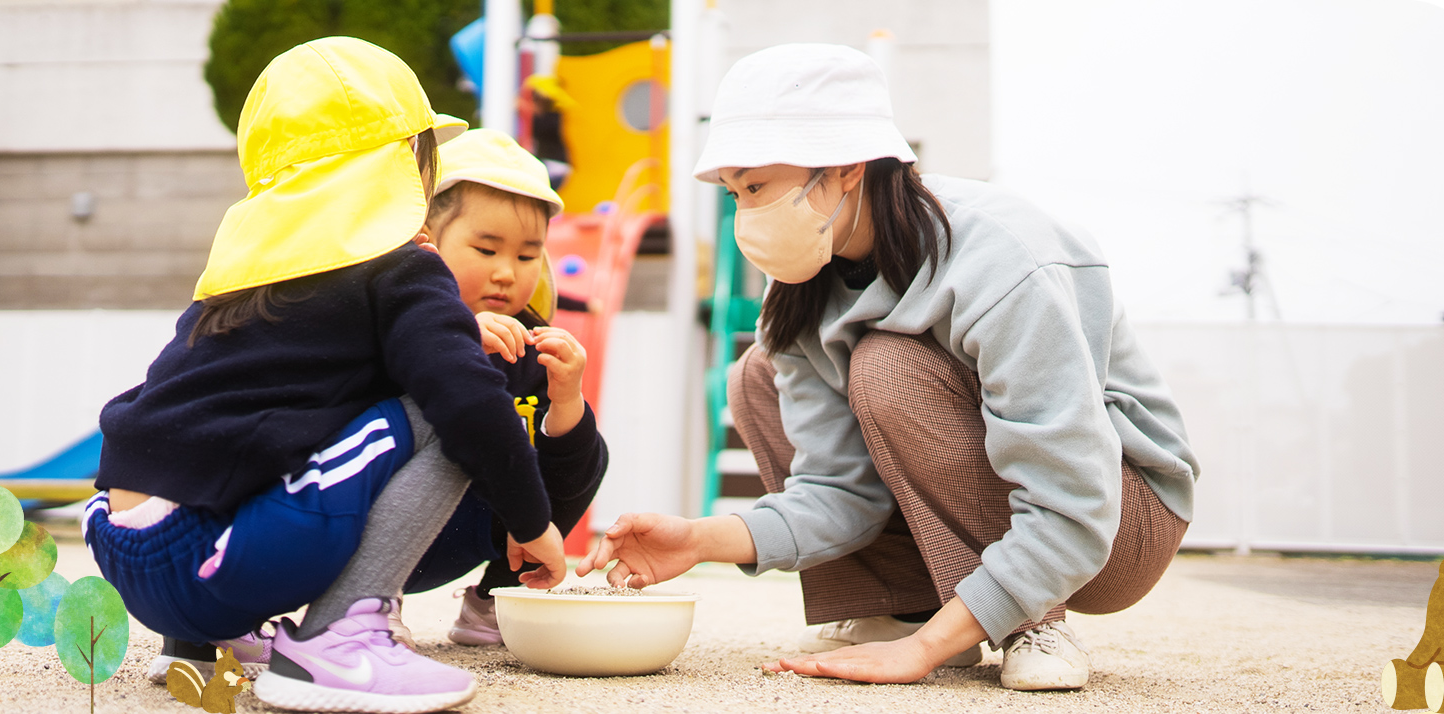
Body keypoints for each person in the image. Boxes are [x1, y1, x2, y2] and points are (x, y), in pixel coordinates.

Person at [577, 43, 1201, 692]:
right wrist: (701, 539)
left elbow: (1075, 499)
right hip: (1041, 510)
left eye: (757, 186)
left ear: (846, 168)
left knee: (887, 366)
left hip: (1118, 521)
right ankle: (910, 606)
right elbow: (840, 493)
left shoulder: (1003, 258)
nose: (747, 215)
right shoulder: (799, 288)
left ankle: (1030, 619)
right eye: (735, 194)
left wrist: (923, 654)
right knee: (756, 376)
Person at [82, 37, 565, 714]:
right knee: (444, 412)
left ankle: (202, 641)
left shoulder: (239, 273)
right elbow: (467, 402)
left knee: (273, 416)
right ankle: (338, 643)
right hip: (212, 561)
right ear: (409, 167)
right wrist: (531, 519)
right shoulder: (402, 266)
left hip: (120, 539)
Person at [393, 128, 608, 647]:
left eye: (528, 255)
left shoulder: (530, 341)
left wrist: (566, 399)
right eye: (486, 249)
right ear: (426, 240)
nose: (508, 273)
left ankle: (499, 599)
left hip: (473, 533)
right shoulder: (392, 319)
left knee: (588, 450)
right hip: (371, 534)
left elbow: (563, 469)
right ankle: (366, 604)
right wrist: (457, 342)